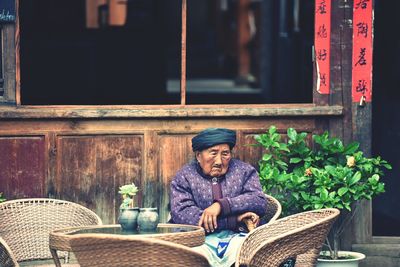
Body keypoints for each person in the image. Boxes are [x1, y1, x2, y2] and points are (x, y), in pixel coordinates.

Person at [170, 128, 267, 267]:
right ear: (198, 156)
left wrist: (221, 206)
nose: (219, 161)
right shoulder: (184, 177)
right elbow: (184, 215)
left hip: (238, 238)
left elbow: (259, 201)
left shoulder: (245, 171)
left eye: (225, 154)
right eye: (213, 153)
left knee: (246, 254)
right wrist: (234, 219)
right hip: (199, 241)